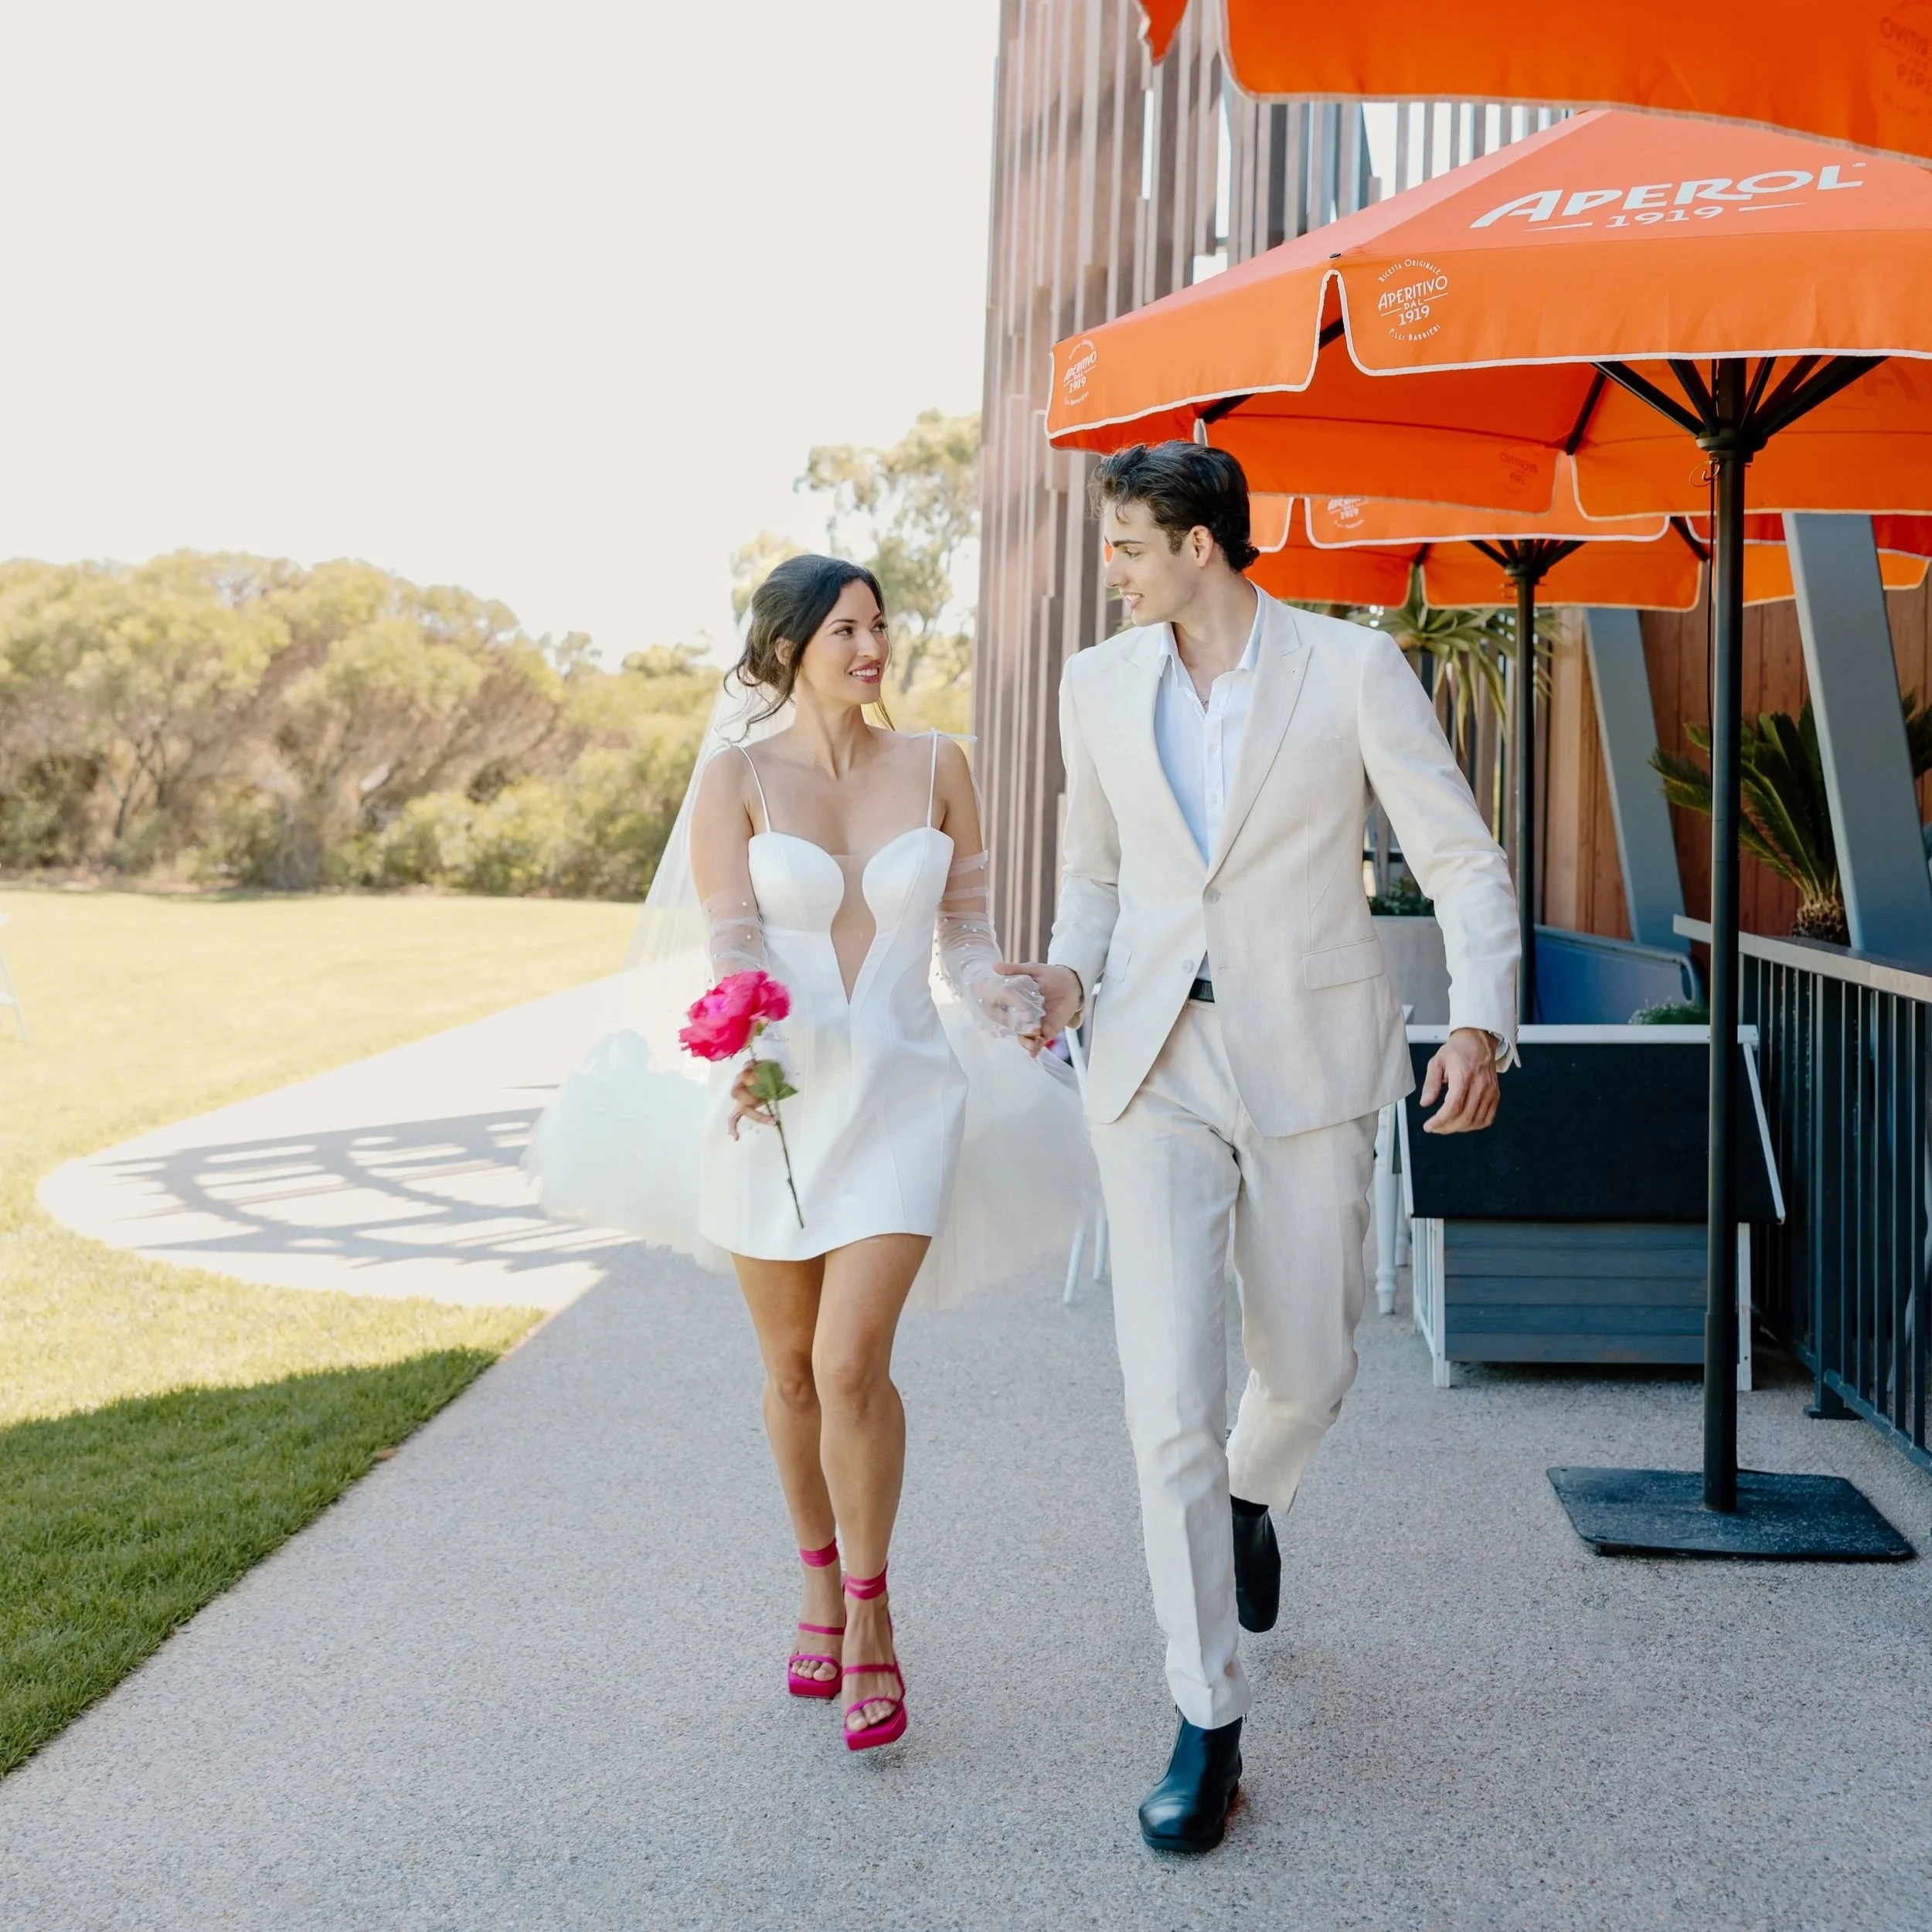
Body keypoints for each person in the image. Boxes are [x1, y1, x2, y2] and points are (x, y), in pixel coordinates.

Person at [1003, 443, 1519, 1850]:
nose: (1107, 570)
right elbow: (1095, 879)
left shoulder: (1350, 670)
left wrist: (1479, 1024)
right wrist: (1059, 982)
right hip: (1153, 1059)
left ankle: (1251, 1496)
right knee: (1166, 1395)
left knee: (1312, 1362)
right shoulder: (1096, 687)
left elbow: (1463, 855)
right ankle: (1208, 1714)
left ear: (1201, 546)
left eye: (1125, 545)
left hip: (1309, 1057)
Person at [531, 553, 1089, 1754]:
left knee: (848, 1365)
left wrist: (1011, 998)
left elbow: (970, 938)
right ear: (789, 647)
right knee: (788, 1370)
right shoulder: (734, 779)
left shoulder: (941, 763)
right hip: (777, 1105)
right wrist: (739, 1047)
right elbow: (735, 945)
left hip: (906, 1097)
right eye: (846, 629)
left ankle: (877, 1620)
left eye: (880, 626)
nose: (873, 648)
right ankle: (817, 1585)